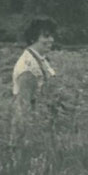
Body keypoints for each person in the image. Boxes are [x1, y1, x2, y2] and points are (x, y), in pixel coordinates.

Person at [10, 16, 58, 145]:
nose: (51, 40)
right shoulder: (28, 68)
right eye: (46, 36)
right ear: (33, 38)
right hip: (30, 131)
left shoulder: (41, 60)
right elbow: (23, 106)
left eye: (52, 36)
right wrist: (23, 140)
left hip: (42, 124)